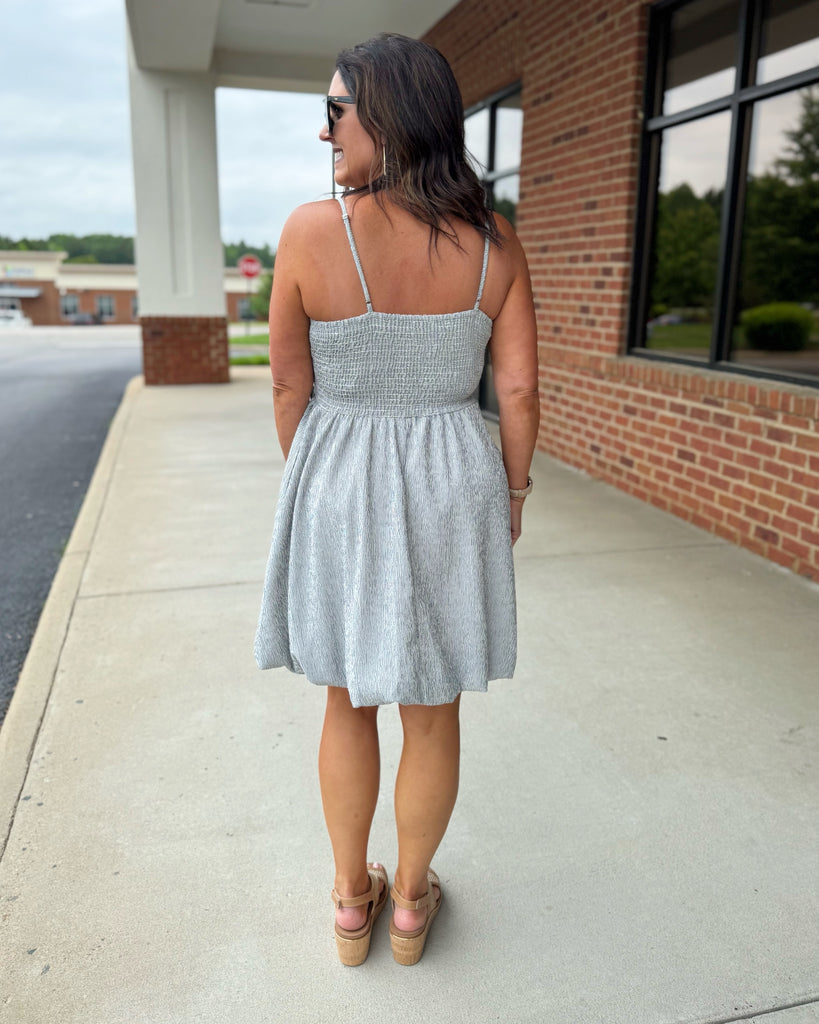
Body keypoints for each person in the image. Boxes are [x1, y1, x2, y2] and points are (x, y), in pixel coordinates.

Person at [255, 33, 539, 966]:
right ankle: (411, 904)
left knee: (347, 698)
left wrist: (320, 480)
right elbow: (518, 389)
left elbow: (288, 386)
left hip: (338, 472)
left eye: (335, 112)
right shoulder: (494, 240)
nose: (325, 132)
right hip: (456, 478)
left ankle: (351, 903)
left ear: (388, 114)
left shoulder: (310, 233)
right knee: (433, 705)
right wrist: (513, 491)